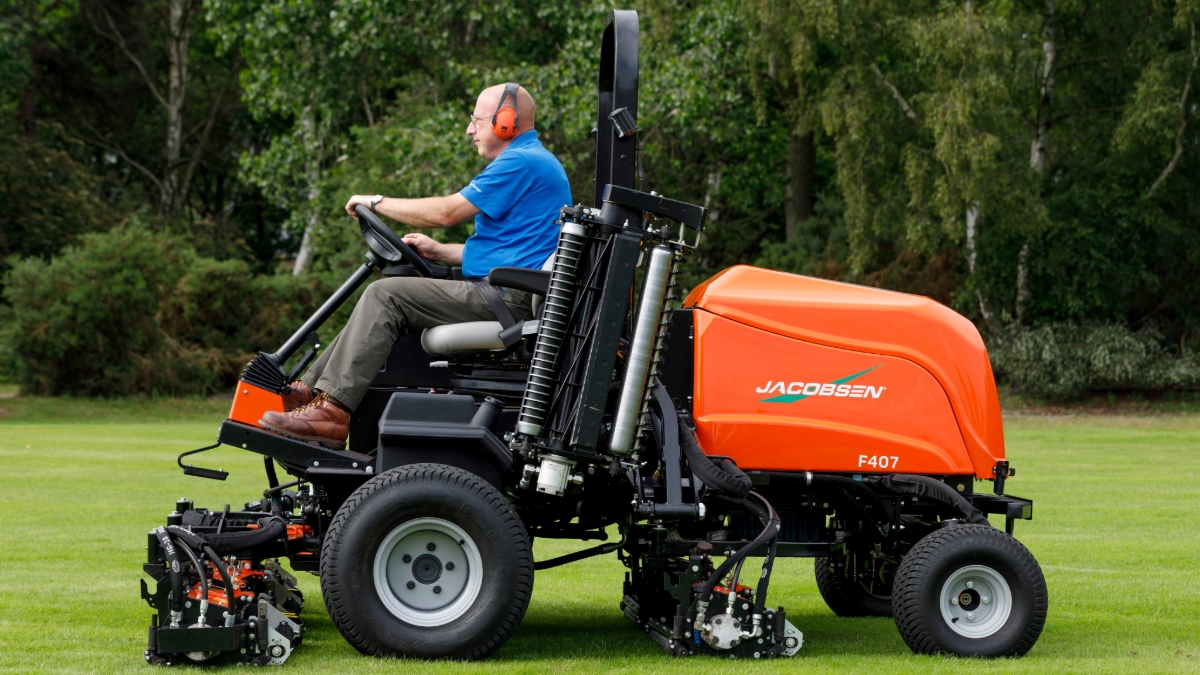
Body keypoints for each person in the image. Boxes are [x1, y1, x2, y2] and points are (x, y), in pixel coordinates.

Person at [258, 83, 572, 449]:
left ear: (506, 122)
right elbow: (509, 251)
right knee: (396, 282)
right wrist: (439, 251)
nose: (470, 130)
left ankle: (331, 413)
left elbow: (445, 212)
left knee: (386, 296)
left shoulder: (521, 161)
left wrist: (375, 201)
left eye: (476, 121)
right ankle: (309, 393)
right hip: (505, 291)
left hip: (507, 300)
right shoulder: (532, 159)